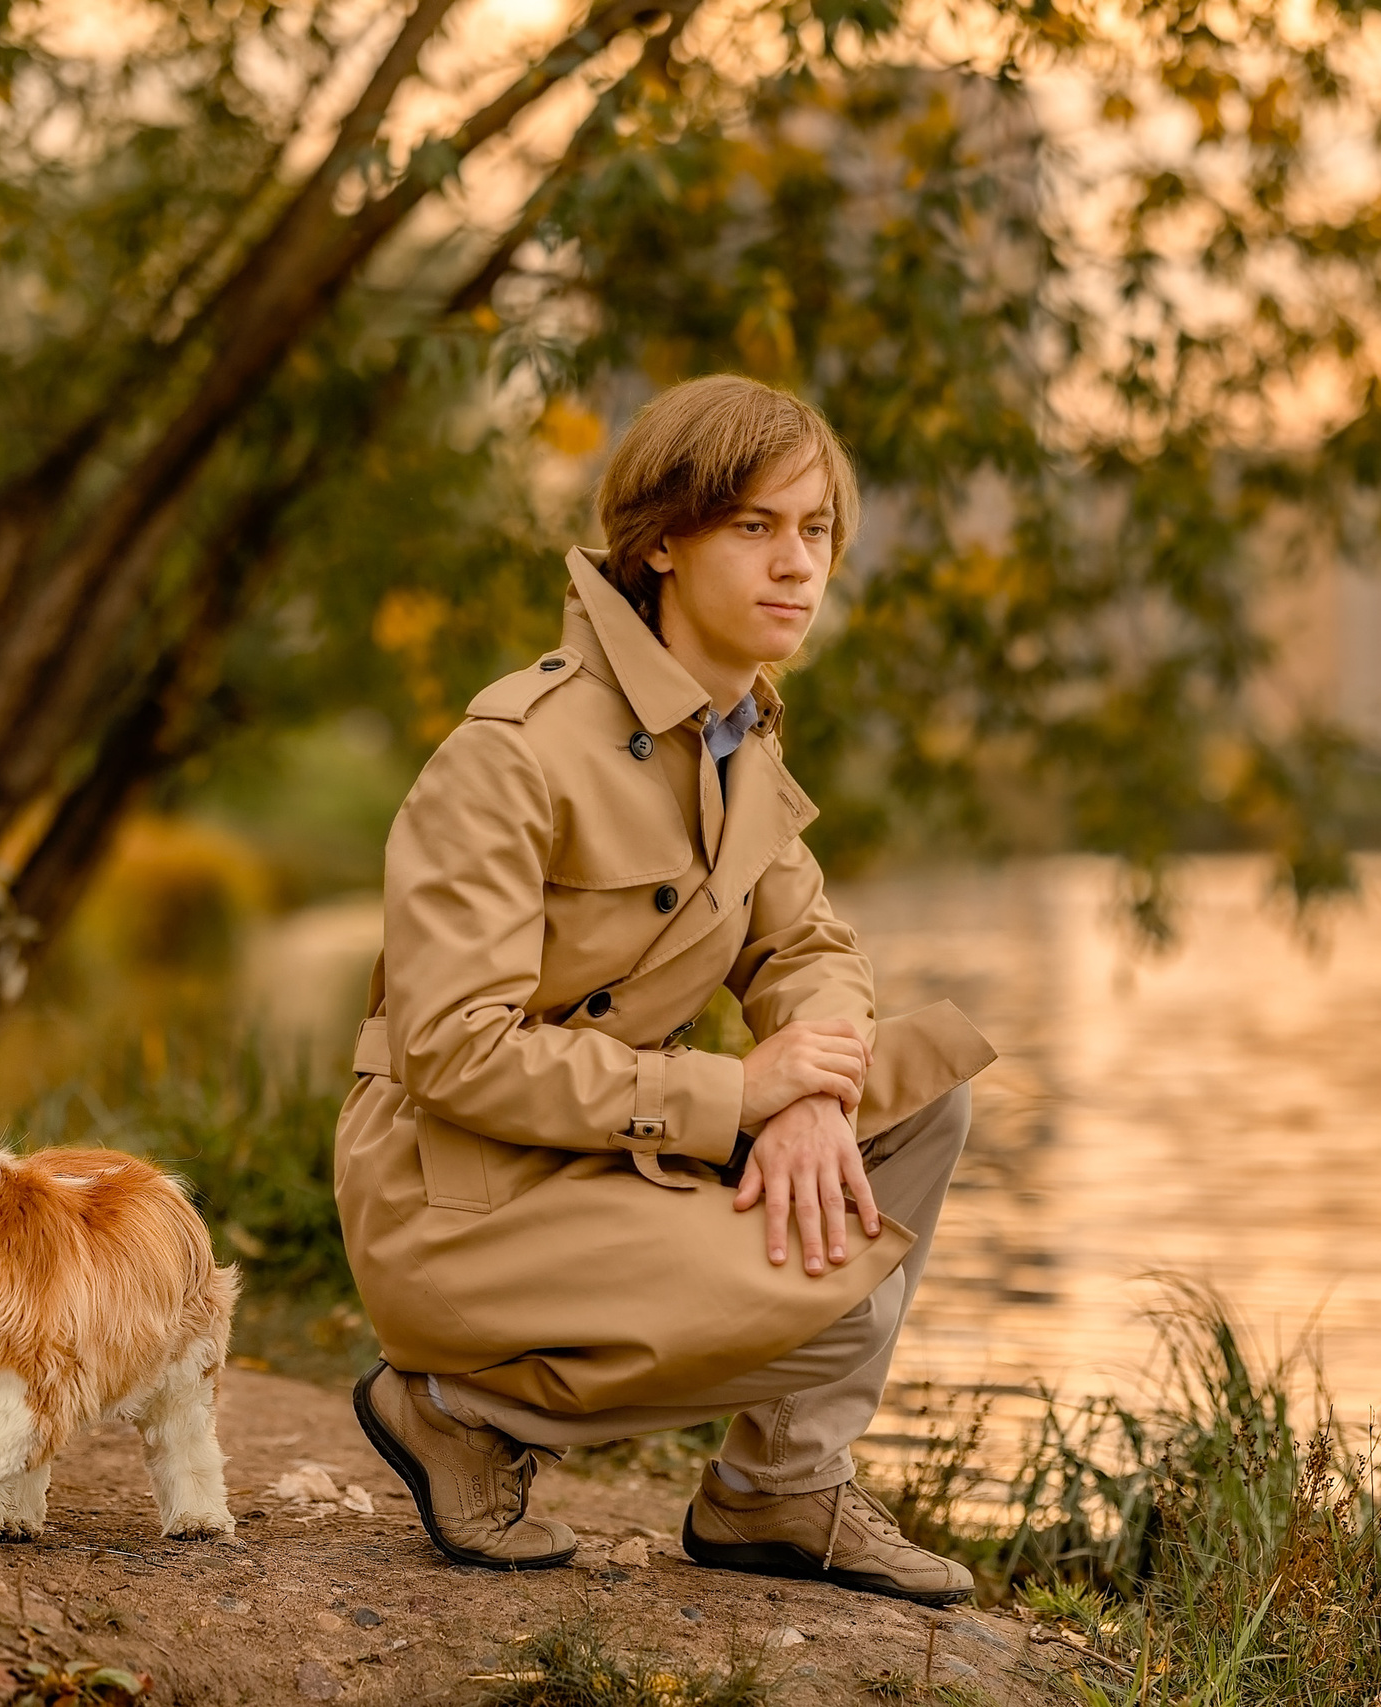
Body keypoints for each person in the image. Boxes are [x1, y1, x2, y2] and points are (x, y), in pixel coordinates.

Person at [333, 375, 996, 1606]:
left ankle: (776, 1491)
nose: (797, 563)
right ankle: (454, 1409)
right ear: (660, 545)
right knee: (840, 1310)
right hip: (457, 1192)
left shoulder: (738, 738)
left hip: (593, 1161)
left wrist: (807, 1093)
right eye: (754, 527)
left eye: (816, 532)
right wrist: (736, 1092)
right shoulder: (513, 753)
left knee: (919, 1096)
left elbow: (811, 950)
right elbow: (451, 1051)